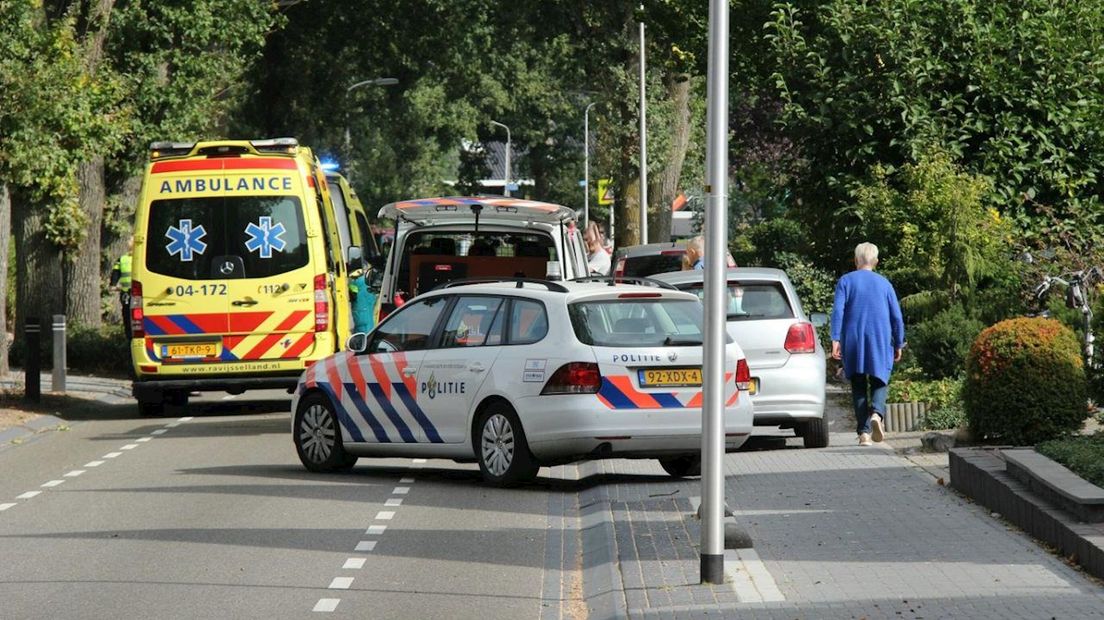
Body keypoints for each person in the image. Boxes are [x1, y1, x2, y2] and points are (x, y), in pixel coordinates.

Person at [830, 242, 906, 446]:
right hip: (879, 337)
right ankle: (877, 414)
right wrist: (898, 342)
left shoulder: (845, 281)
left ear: (856, 261)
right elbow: (896, 317)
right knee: (880, 377)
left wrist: (835, 338)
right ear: (876, 262)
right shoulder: (885, 284)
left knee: (858, 383)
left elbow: (838, 311)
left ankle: (864, 433)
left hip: (852, 338)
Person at [109, 236, 134, 339]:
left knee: (128, 321)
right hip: (144, 296)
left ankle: (130, 341)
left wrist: (114, 286)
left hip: (127, 295)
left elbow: (114, 277)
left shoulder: (122, 260)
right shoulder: (146, 259)